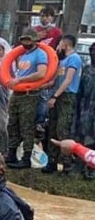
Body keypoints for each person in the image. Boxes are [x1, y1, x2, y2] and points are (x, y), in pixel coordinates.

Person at [6, 28, 49, 169]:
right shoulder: (23, 55)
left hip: (30, 94)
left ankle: (26, 157)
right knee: (12, 123)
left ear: (34, 40)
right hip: (17, 94)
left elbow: (41, 74)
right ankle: (11, 153)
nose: (25, 42)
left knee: (26, 125)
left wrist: (20, 81)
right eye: (23, 39)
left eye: (28, 39)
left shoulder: (40, 54)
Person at [43, 34, 83, 173]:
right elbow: (55, 80)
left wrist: (55, 96)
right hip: (56, 95)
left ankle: (67, 163)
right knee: (52, 128)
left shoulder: (74, 58)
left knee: (62, 129)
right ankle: (51, 161)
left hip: (66, 96)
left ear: (65, 44)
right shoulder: (61, 60)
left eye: (60, 43)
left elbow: (68, 80)